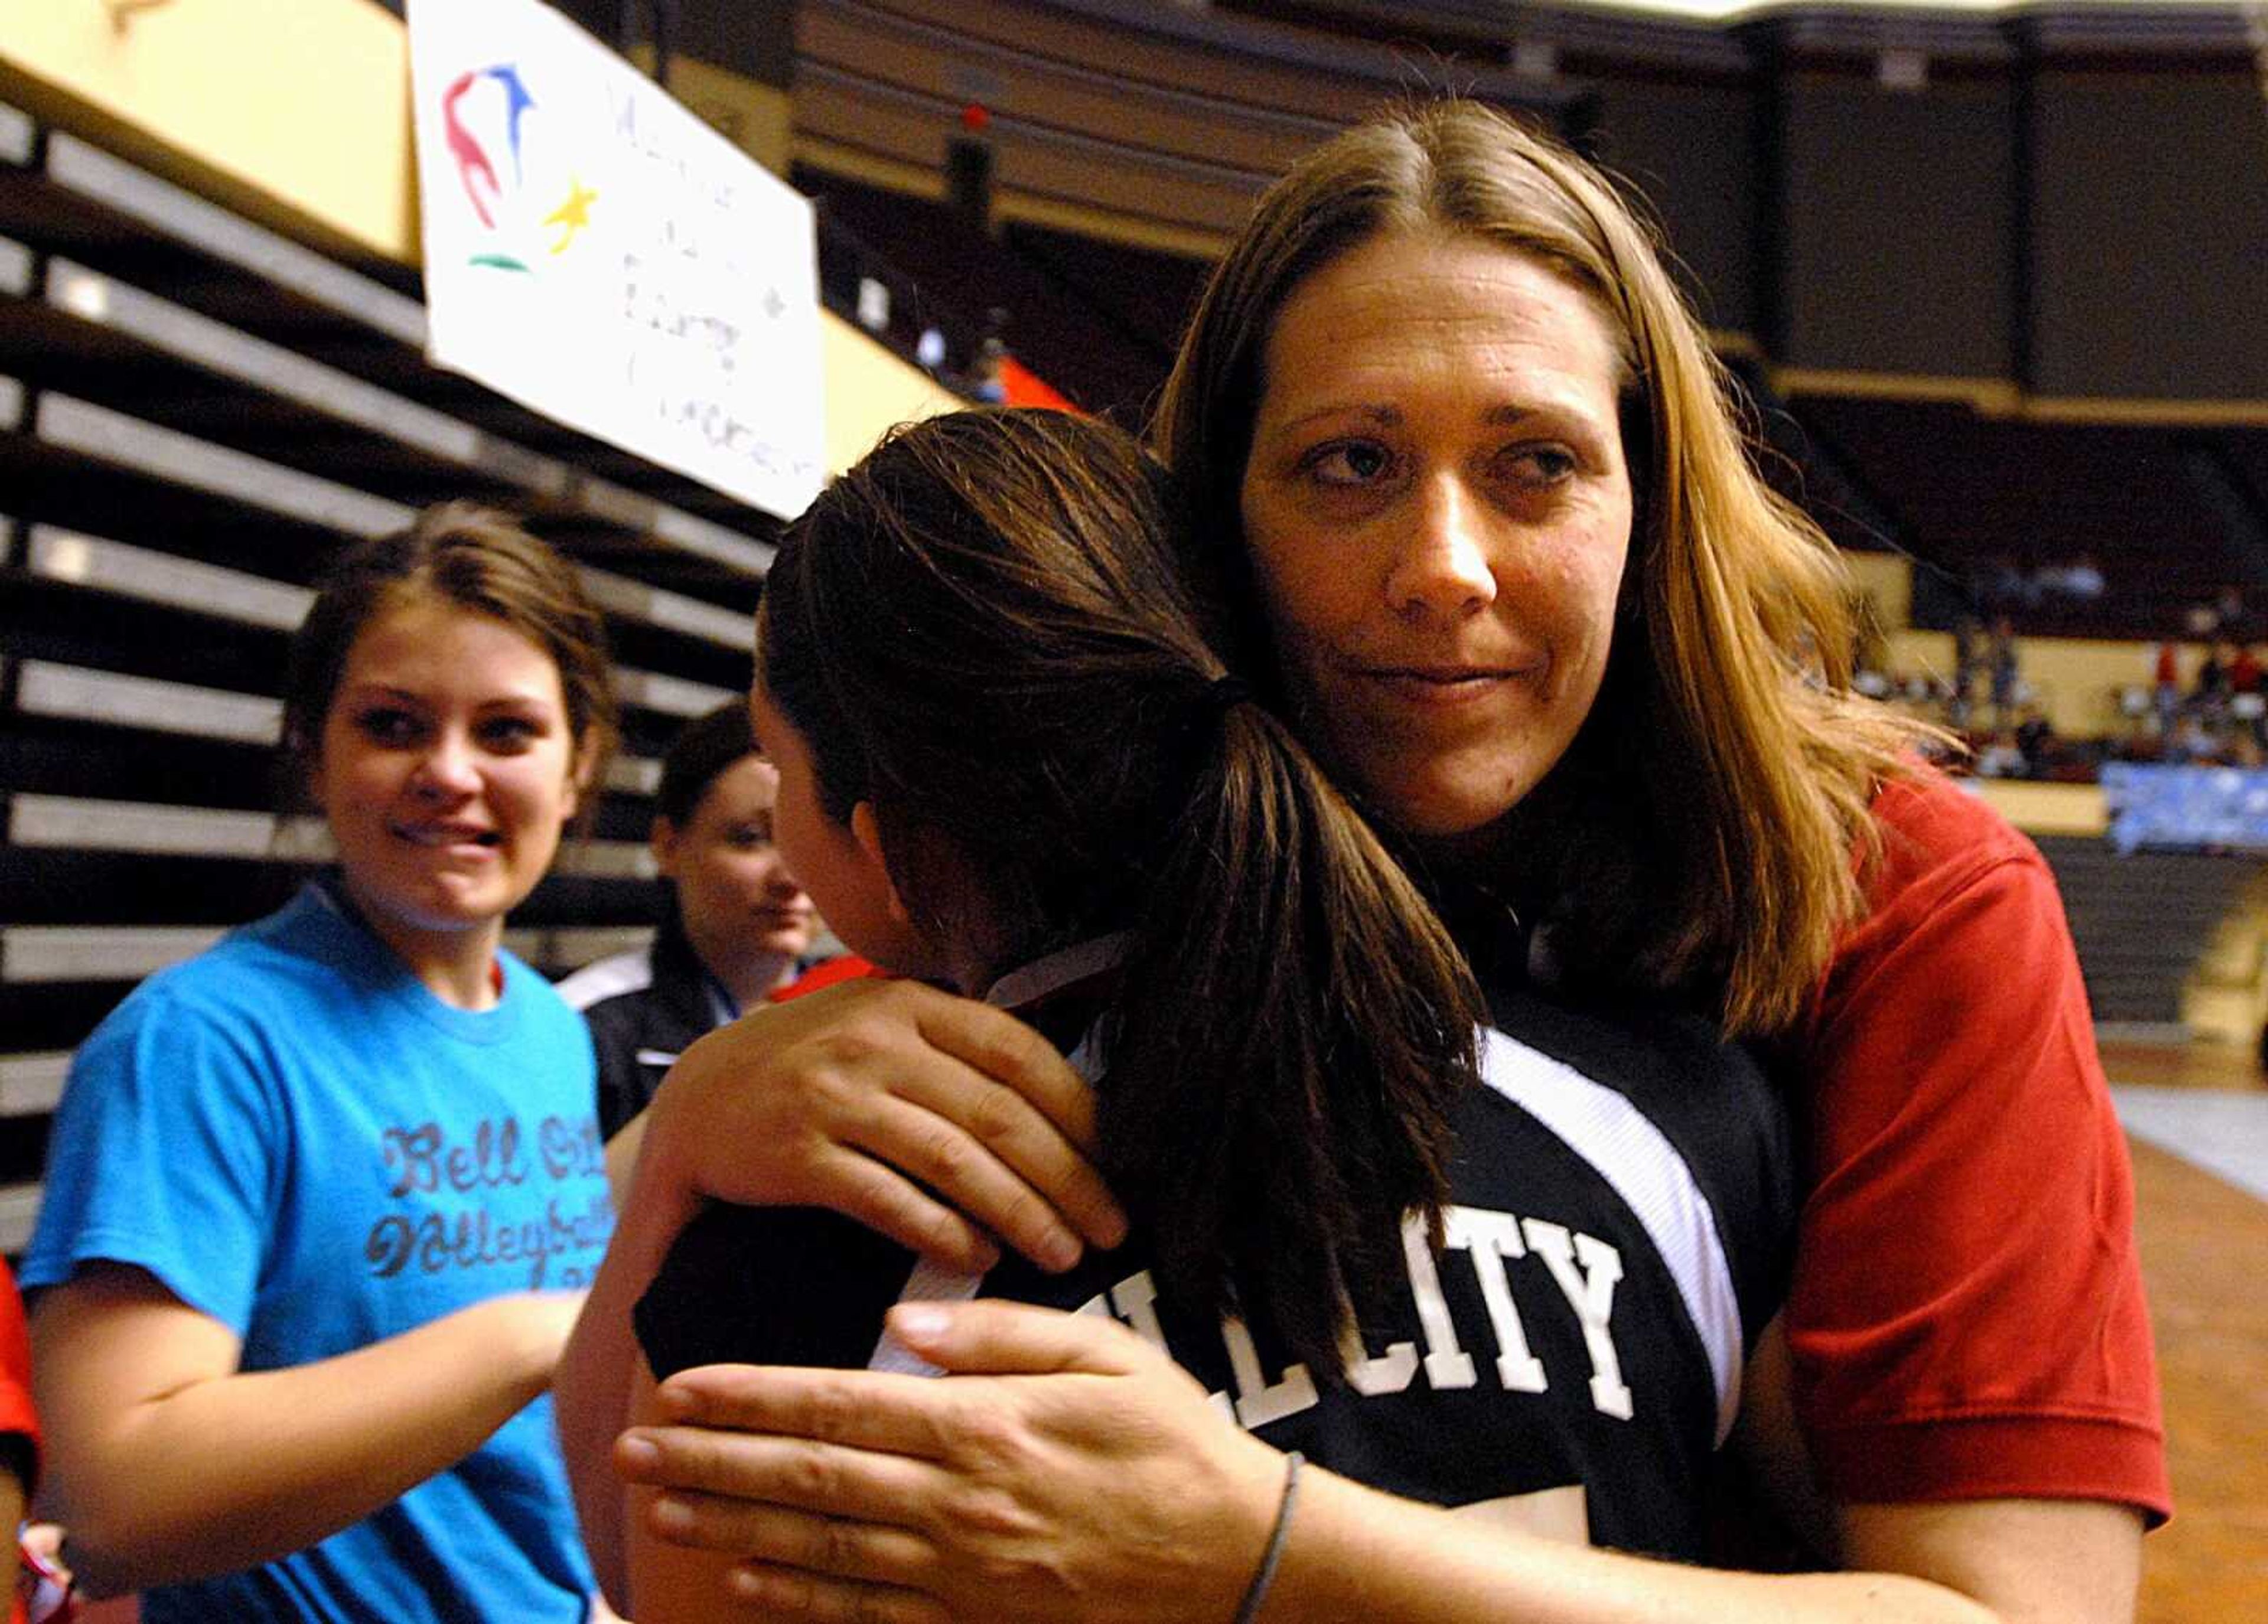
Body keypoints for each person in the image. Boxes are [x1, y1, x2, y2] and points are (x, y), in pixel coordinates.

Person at [584, 102, 2165, 1621]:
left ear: (1654, 503)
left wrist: (1265, 1546)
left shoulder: (1902, 888)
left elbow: (2024, 1605)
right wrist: (687, 1143)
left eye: (1536, 461)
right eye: (1350, 464)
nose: (1442, 568)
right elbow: (641, 1512)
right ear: (1215, 526)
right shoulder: (1124, 843)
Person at [564, 407, 1794, 1619]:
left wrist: (679, 1153)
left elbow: (628, 1558)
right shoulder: (1673, 1107)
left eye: (782, 778)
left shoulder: (806, 1255)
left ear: (888, 851)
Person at [21, 505, 618, 1620]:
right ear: (313, 750)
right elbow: (110, 1500)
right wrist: (531, 1338)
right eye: (394, 725)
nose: (450, 772)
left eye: (507, 732)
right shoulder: (199, 1046)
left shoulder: (545, 1029)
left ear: (580, 765)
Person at [558, 702, 822, 1140]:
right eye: (751, 839)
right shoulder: (581, 1029)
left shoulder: (853, 1006)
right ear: (668, 846)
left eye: (809, 839)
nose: (792, 877)